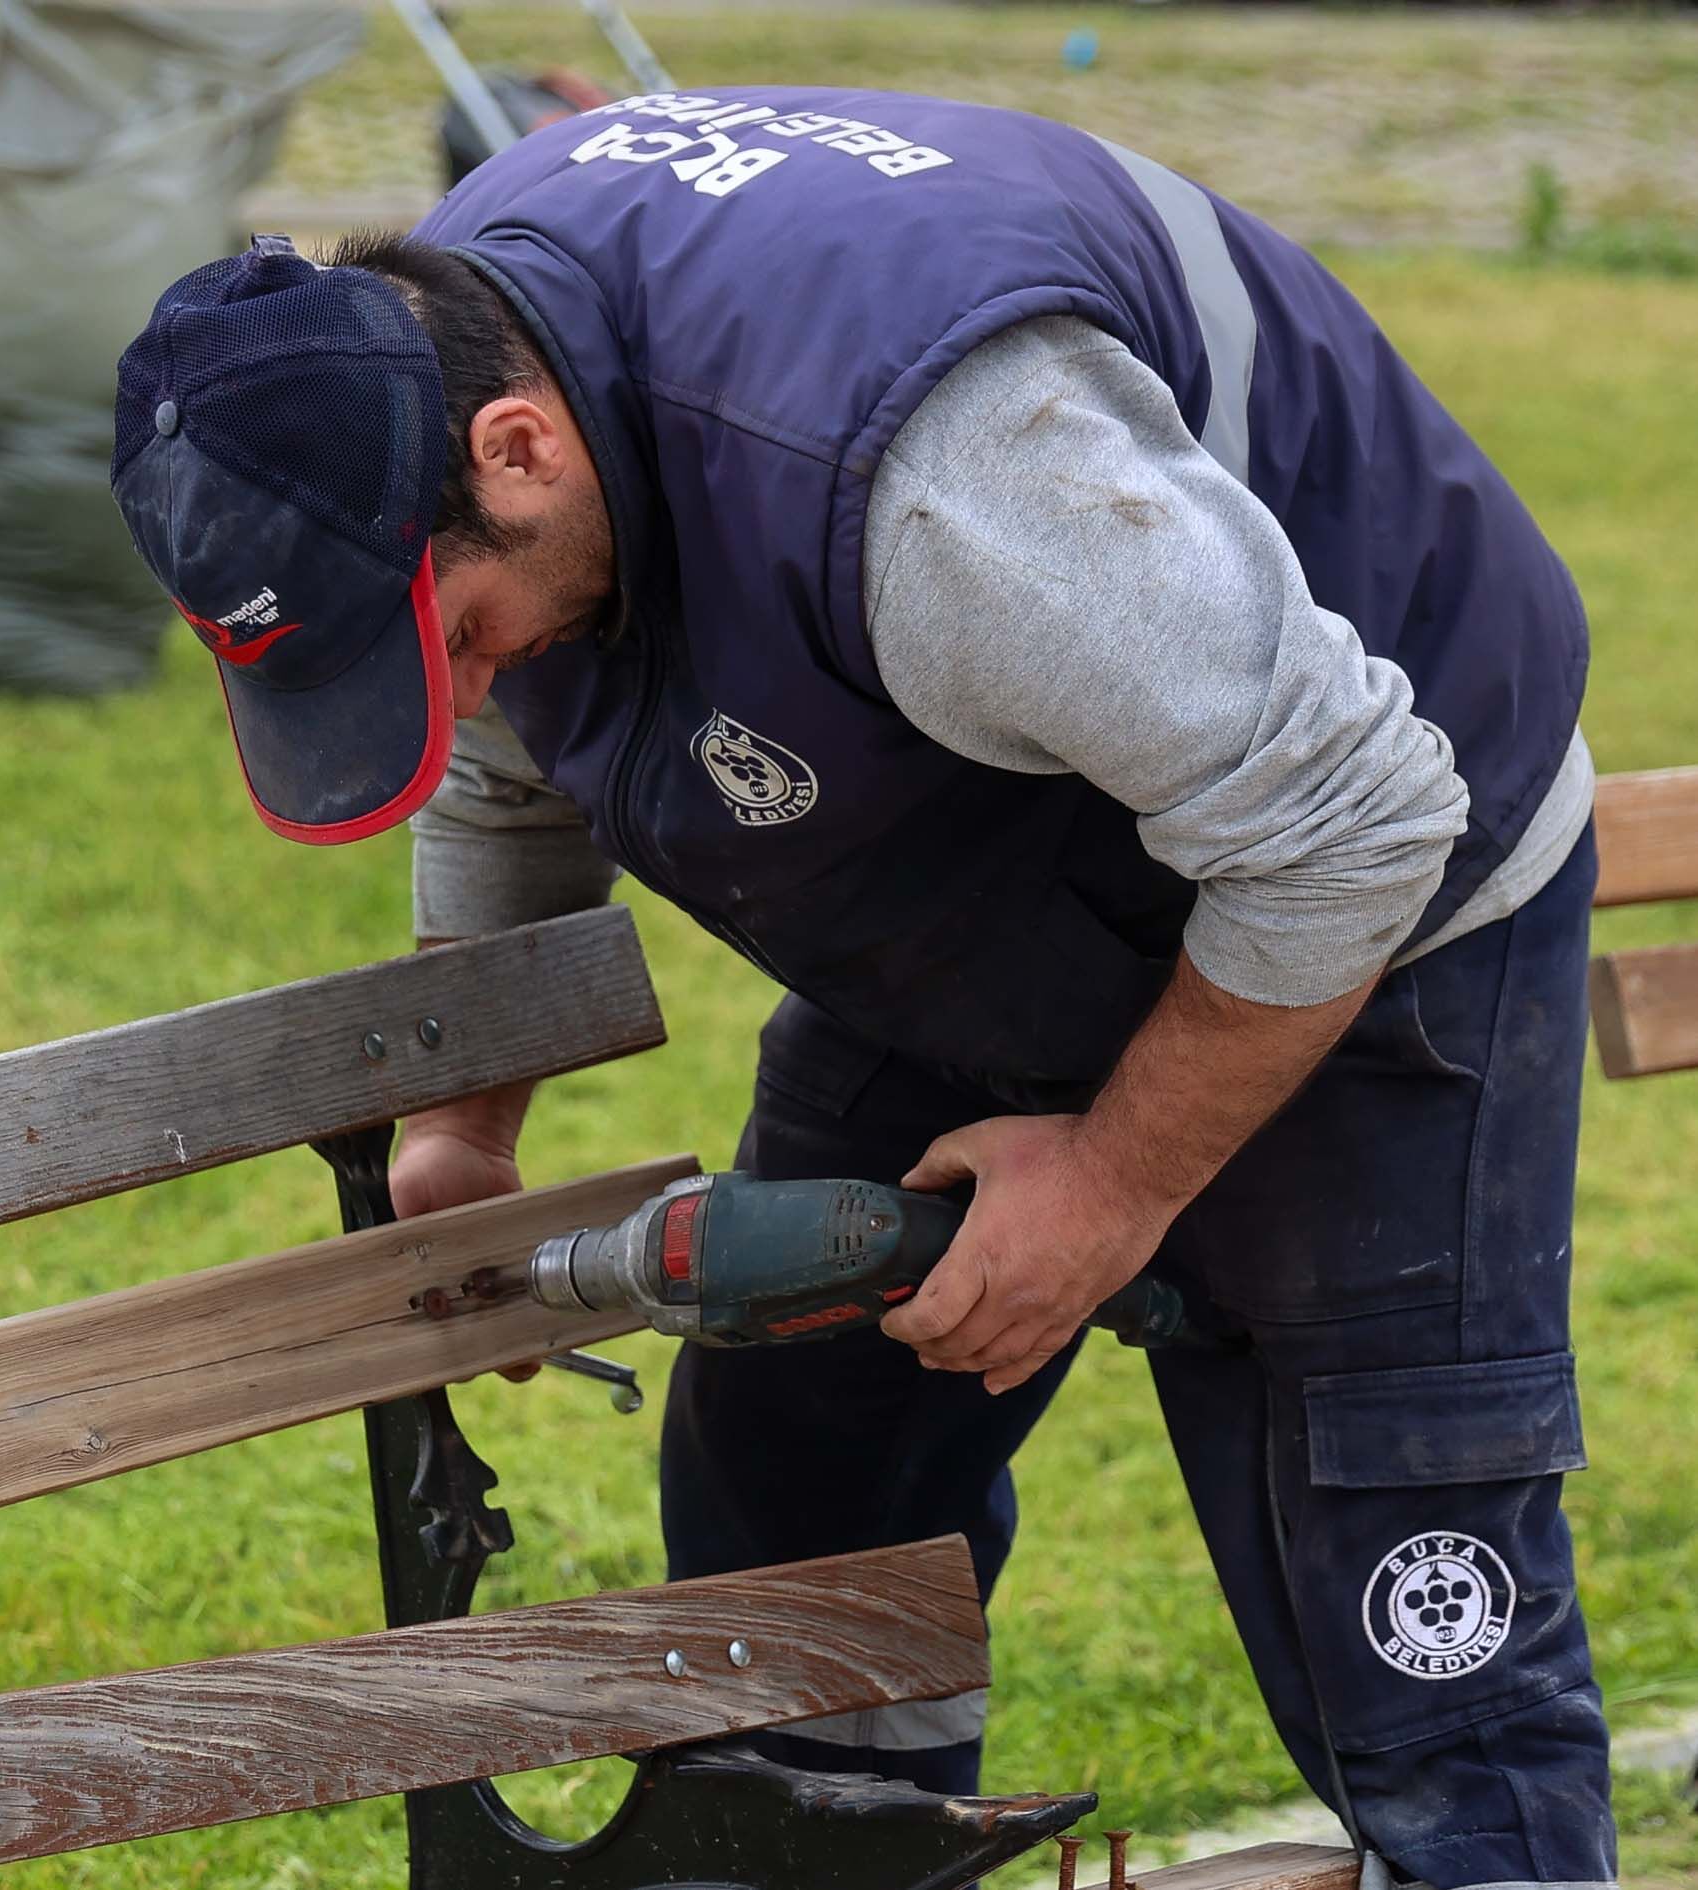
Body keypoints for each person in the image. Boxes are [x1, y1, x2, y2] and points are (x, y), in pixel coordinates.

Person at [106, 86, 1613, 1890]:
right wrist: (464, 1122)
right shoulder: (453, 369)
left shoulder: (944, 482)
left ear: (517, 451)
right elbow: (511, 743)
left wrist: (1115, 1187)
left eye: (448, 635)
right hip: (979, 857)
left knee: (1403, 1596)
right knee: (787, 1519)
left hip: (1366, 890)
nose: (457, 686)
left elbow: (1352, 826)